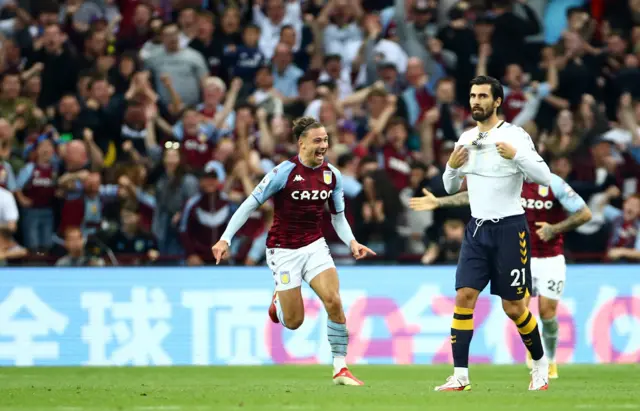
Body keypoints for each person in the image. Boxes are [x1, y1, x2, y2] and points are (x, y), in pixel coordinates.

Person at [212, 116, 375, 386]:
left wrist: (352, 243)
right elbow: (249, 204)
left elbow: (338, 217)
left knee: (333, 300)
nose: (324, 145)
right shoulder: (283, 172)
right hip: (283, 249)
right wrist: (225, 239)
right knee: (295, 321)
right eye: (317, 140)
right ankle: (278, 302)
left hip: (314, 246)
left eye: (326, 140)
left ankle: (340, 368)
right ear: (301, 143)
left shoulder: (332, 175)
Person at [424, 75, 553, 391]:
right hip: (476, 229)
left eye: (483, 96)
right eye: (472, 96)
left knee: (514, 307)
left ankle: (539, 367)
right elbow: (452, 186)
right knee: (464, 297)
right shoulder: (466, 138)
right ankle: (460, 376)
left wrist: (517, 156)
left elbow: (545, 177)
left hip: (510, 229)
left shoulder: (515, 136)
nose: (476, 101)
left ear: (497, 102)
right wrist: (451, 167)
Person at [410, 171, 592, 379]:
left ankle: (549, 359)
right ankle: (535, 353)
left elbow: (585, 213)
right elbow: (474, 195)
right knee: (518, 306)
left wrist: (555, 229)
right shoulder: (507, 179)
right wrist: (440, 202)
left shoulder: (553, 183)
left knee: (547, 313)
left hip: (551, 258)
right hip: (520, 253)